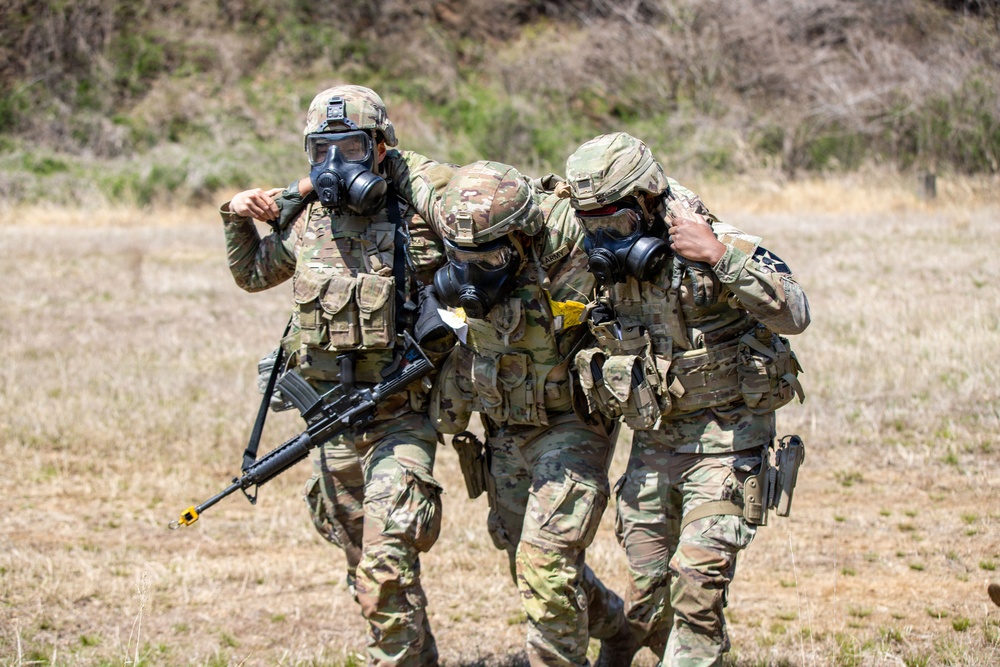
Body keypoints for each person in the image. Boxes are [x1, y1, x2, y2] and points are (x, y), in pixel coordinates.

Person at [221, 84, 455, 666]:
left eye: (349, 148)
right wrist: (236, 214)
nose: (333, 166)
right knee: (366, 568)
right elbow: (252, 274)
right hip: (331, 422)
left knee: (384, 561)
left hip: (400, 419)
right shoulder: (306, 224)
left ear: (379, 149)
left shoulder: (417, 221)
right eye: (320, 150)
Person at [563, 132, 811, 666]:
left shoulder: (711, 239)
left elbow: (794, 312)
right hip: (654, 445)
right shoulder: (603, 257)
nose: (605, 237)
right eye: (593, 223)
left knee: (698, 587)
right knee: (648, 601)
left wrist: (719, 257)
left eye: (617, 221)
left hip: (728, 442)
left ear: (649, 200)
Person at [427, 161, 634, 666]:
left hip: (573, 425)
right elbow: (406, 167)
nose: (474, 270)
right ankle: (616, 626)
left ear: (523, 236)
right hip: (505, 426)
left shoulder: (572, 241)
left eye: (493, 255)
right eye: (461, 257)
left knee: (546, 560)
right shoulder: (464, 245)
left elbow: (646, 201)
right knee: (526, 558)